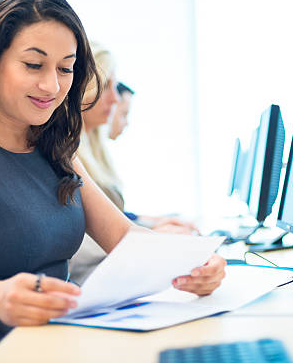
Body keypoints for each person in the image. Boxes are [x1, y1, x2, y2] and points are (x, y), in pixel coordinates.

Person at [0, 0, 226, 363]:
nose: (52, 86)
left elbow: (125, 237)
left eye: (65, 68)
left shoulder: (54, 145)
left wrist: (195, 264)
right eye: (33, 65)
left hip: (63, 347)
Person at [69, 42, 200, 284]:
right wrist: (154, 235)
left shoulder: (92, 150)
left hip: (111, 273)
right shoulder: (63, 154)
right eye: (106, 85)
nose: (115, 98)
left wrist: (151, 228)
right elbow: (80, 239)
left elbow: (114, 219)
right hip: (92, 280)